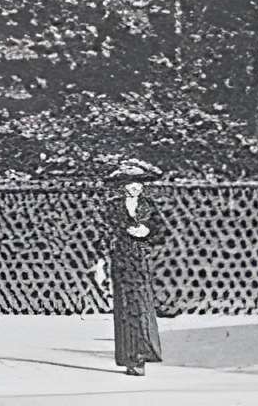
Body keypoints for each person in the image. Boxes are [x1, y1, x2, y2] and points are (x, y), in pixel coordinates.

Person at [97, 159, 166, 374]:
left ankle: (143, 354)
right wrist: (101, 259)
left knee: (142, 305)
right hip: (120, 259)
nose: (135, 186)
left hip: (141, 260)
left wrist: (146, 231)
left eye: (139, 182)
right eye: (130, 182)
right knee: (125, 306)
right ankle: (129, 358)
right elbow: (102, 233)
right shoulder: (112, 207)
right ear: (122, 185)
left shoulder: (149, 206)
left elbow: (161, 230)